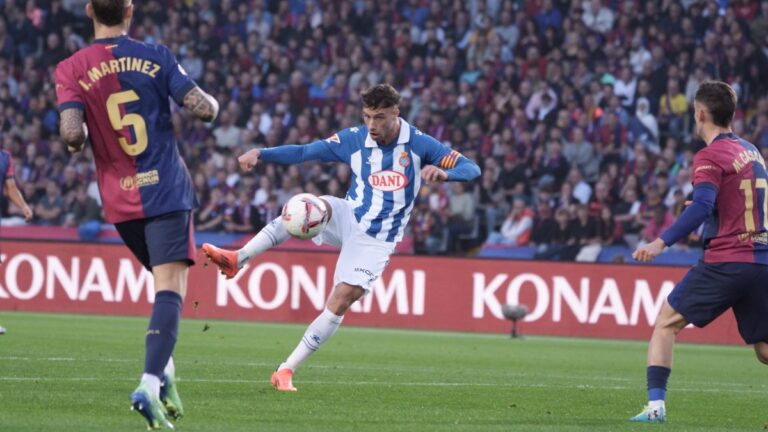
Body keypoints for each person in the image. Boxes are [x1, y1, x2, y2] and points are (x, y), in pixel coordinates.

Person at [202, 84, 480, 391]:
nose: (372, 125)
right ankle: (236, 258)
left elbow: (471, 167)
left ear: (396, 113)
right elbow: (306, 152)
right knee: (306, 208)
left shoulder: (420, 144)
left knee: (341, 300)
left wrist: (446, 174)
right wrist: (261, 153)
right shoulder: (353, 139)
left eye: (380, 117)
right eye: (368, 117)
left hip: (377, 240)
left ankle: (285, 370)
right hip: (348, 215)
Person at [54, 0, 219, 428]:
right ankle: (148, 384)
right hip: (164, 190)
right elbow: (202, 108)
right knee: (171, 291)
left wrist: (84, 133)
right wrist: (211, 105)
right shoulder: (157, 55)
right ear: (129, 11)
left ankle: (166, 376)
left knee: (163, 288)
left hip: (119, 201)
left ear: (90, 10)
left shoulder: (71, 68)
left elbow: (72, 135)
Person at [630, 81, 768, 423]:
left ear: (701, 113)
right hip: (762, 259)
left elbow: (702, 207)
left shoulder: (709, 155)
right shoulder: (751, 150)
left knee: (666, 324)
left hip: (726, 260)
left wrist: (659, 242)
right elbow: (743, 202)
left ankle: (655, 409)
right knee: (765, 350)